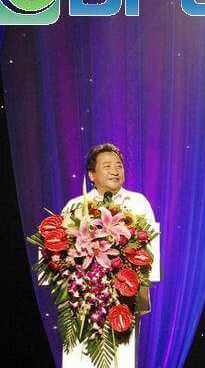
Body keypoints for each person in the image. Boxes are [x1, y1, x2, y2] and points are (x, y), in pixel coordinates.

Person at [60, 143, 161, 368]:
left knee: (121, 357)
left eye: (119, 166)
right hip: (84, 296)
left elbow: (149, 248)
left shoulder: (138, 203)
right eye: (107, 166)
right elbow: (61, 250)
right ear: (92, 174)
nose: (115, 171)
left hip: (122, 296)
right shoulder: (75, 206)